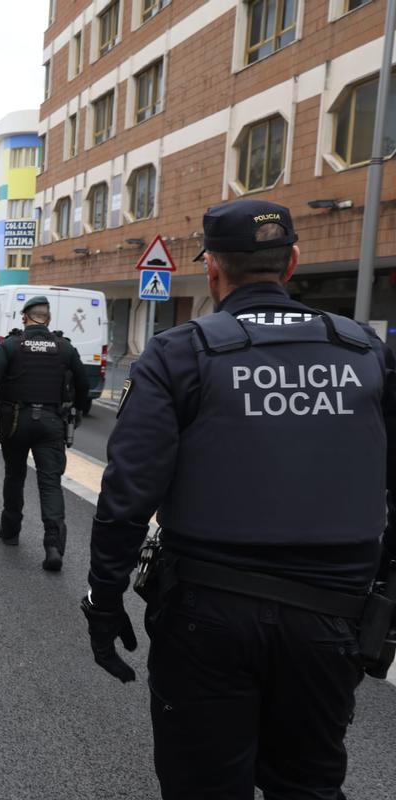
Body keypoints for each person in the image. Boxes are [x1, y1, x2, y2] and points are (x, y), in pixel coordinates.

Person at [81, 199, 396, 799]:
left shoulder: (179, 353)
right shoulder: (368, 352)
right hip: (333, 616)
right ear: (293, 263)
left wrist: (104, 597)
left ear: (215, 272)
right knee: (307, 785)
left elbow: (127, 492)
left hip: (206, 614)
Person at [0, 296, 90, 571]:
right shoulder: (65, 348)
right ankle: (52, 545)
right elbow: (83, 382)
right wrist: (80, 410)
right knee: (50, 483)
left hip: (14, 421)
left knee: (15, 475)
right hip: (51, 423)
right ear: (47, 319)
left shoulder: (11, 345)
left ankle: (11, 530)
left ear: (25, 318)